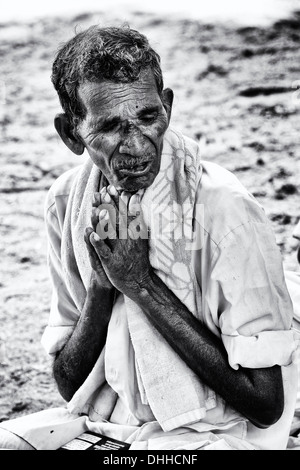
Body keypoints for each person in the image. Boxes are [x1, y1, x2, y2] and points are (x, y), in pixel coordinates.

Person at [0, 24, 299, 451]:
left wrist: (141, 284)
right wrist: (104, 284)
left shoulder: (225, 210)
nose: (137, 145)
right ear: (71, 134)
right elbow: (70, 386)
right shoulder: (68, 203)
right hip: (108, 424)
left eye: (147, 116)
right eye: (110, 126)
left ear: (168, 108)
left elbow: (266, 405)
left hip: (213, 434)